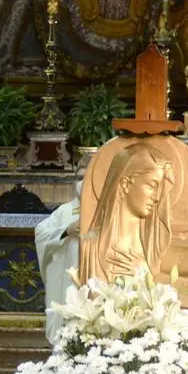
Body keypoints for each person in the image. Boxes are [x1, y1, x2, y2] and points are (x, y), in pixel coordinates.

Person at [77, 142, 174, 285]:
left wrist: (144, 273)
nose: (157, 197)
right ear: (125, 184)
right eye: (152, 186)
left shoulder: (155, 251)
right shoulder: (89, 247)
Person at [35, 168, 83, 344]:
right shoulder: (64, 211)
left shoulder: (108, 209)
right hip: (67, 280)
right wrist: (65, 231)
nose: (83, 182)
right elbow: (40, 232)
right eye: (79, 177)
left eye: (88, 177)